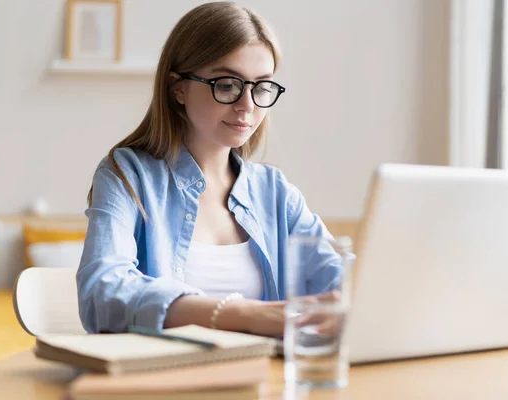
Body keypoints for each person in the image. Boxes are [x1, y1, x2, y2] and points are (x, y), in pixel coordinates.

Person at [77, 1, 341, 338]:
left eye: (260, 87)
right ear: (178, 88)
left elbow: (345, 279)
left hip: (263, 381)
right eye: (228, 84)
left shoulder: (275, 192)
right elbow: (101, 293)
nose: (247, 105)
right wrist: (244, 314)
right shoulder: (128, 175)